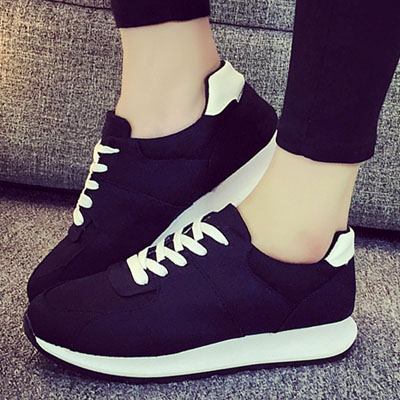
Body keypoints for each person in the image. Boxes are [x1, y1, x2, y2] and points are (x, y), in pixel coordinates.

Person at [24, 0, 400, 380]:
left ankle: (298, 236)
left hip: (300, 258)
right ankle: (175, 97)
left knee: (68, 303)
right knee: (62, 296)